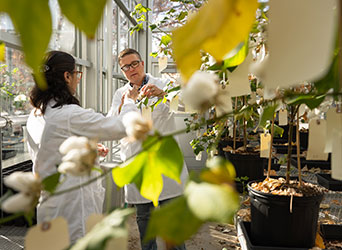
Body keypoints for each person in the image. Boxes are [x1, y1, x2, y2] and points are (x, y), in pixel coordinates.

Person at [26, 50, 139, 243]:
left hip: (49, 205)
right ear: (67, 76)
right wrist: (129, 101)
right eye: (77, 74)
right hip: (74, 208)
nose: (78, 80)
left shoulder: (36, 114)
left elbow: (52, 152)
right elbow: (122, 127)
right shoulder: (68, 114)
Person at [107, 48, 188, 250]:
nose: (131, 69)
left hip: (164, 163)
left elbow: (186, 106)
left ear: (142, 63)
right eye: (126, 67)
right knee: (145, 223)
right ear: (123, 71)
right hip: (138, 164)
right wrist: (127, 103)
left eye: (134, 63)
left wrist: (163, 95)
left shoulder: (164, 84)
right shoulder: (120, 94)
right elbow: (112, 123)